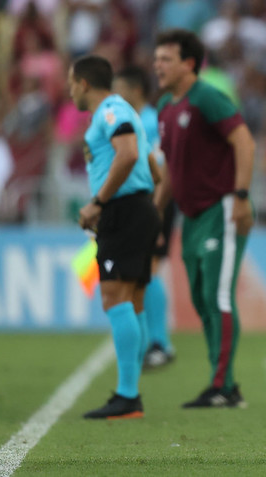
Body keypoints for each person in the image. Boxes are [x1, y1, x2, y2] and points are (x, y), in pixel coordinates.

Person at [152, 29, 255, 408]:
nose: (157, 65)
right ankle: (221, 382)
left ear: (189, 64)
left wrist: (241, 196)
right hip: (192, 216)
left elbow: (244, 141)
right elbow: (170, 172)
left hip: (223, 207)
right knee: (200, 297)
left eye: (165, 58)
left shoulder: (207, 97)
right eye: (157, 58)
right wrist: (153, 214)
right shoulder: (166, 106)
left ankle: (223, 385)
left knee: (217, 295)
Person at [68, 55, 160, 419]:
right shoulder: (126, 111)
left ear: (84, 84)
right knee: (132, 301)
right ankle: (130, 395)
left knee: (114, 297)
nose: (69, 90)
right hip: (136, 209)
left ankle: (127, 396)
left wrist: (98, 203)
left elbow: (129, 155)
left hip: (122, 210)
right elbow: (154, 168)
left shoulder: (109, 110)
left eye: (71, 83)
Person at [113, 66, 176, 368]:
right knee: (142, 272)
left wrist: (157, 211)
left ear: (136, 90)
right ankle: (154, 341)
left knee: (149, 269)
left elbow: (161, 169)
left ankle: (160, 343)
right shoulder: (133, 121)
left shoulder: (151, 121)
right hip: (141, 202)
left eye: (120, 88)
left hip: (156, 200)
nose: (115, 94)